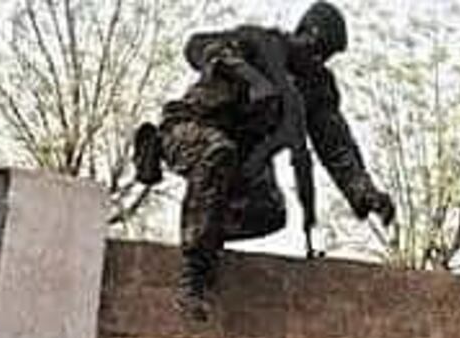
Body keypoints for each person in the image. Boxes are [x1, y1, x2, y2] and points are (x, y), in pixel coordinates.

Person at [134, 1, 394, 321]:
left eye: (327, 55)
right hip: (190, 129)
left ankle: (207, 230)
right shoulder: (258, 43)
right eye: (318, 48)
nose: (320, 59)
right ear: (305, 34)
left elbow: (336, 146)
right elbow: (196, 47)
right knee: (218, 152)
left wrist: (363, 191)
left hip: (243, 155)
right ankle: (194, 274)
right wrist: (248, 74)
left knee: (269, 211)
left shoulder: (315, 87)